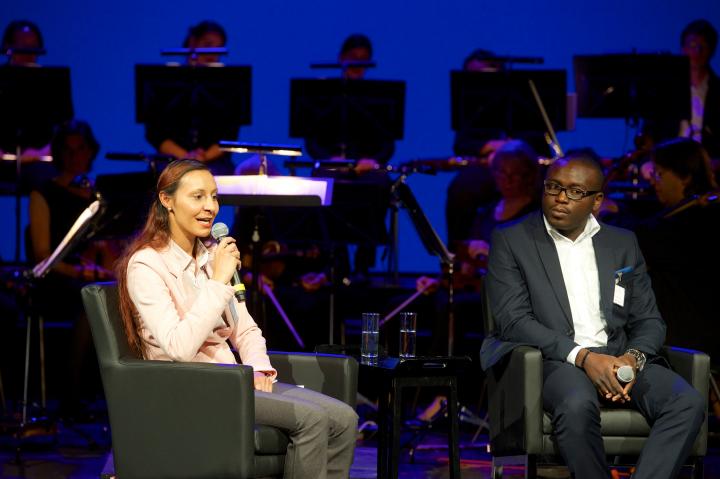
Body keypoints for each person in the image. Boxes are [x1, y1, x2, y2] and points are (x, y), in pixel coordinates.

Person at [115, 159, 358, 478]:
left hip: (233, 381)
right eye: (197, 196)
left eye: (214, 197)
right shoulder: (146, 265)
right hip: (188, 386)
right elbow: (178, 348)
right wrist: (217, 282)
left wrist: (259, 369)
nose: (210, 207)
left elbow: (245, 329)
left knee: (345, 420)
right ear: (167, 200)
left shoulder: (210, 256)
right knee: (312, 419)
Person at [480, 156, 705, 478]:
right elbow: (513, 320)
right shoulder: (512, 239)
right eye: (553, 187)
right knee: (576, 405)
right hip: (555, 359)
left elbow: (649, 320)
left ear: (596, 201)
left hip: (618, 356)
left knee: (686, 403)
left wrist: (632, 357)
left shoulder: (621, 242)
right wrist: (584, 357)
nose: (560, 198)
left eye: (574, 192)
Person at [29, 119, 116, 416]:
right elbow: (43, 256)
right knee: (89, 299)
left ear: (90, 153)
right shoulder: (43, 193)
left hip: (88, 276)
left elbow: (104, 248)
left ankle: (118, 396)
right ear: (58, 153)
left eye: (80, 150)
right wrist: (83, 273)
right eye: (68, 150)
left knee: (116, 294)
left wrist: (103, 271)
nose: (74, 156)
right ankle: (73, 397)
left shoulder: (96, 197)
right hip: (56, 280)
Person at [635, 138, 720, 362]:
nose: (654, 181)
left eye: (660, 174)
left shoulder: (697, 221)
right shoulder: (683, 216)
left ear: (685, 176)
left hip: (694, 336)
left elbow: (644, 239)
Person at [144, 21, 237, 176]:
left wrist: (203, 157)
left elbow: (230, 135)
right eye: (207, 45)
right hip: (170, 160)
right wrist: (186, 158)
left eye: (218, 48)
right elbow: (154, 132)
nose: (212, 53)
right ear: (192, 43)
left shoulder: (227, 88)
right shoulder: (164, 83)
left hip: (214, 163)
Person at [642, 19, 720, 159]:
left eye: (703, 45)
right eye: (692, 45)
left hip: (708, 168)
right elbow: (650, 132)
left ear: (711, 50)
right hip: (670, 164)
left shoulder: (717, 90)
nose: (697, 51)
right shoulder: (665, 90)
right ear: (683, 49)